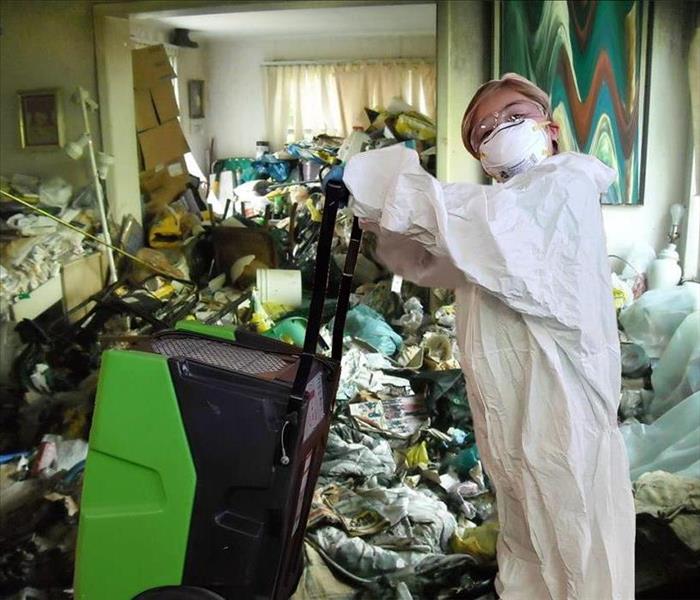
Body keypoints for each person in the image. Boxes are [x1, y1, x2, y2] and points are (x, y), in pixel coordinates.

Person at [343, 73, 635, 599]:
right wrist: (383, 223)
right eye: (484, 128)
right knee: (528, 551)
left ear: (548, 128)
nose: (499, 127)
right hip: (512, 419)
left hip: (564, 416)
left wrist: (394, 187)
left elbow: (491, 226)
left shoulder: (563, 184)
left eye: (513, 115)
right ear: (481, 155)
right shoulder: (490, 217)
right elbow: (427, 262)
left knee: (580, 555)